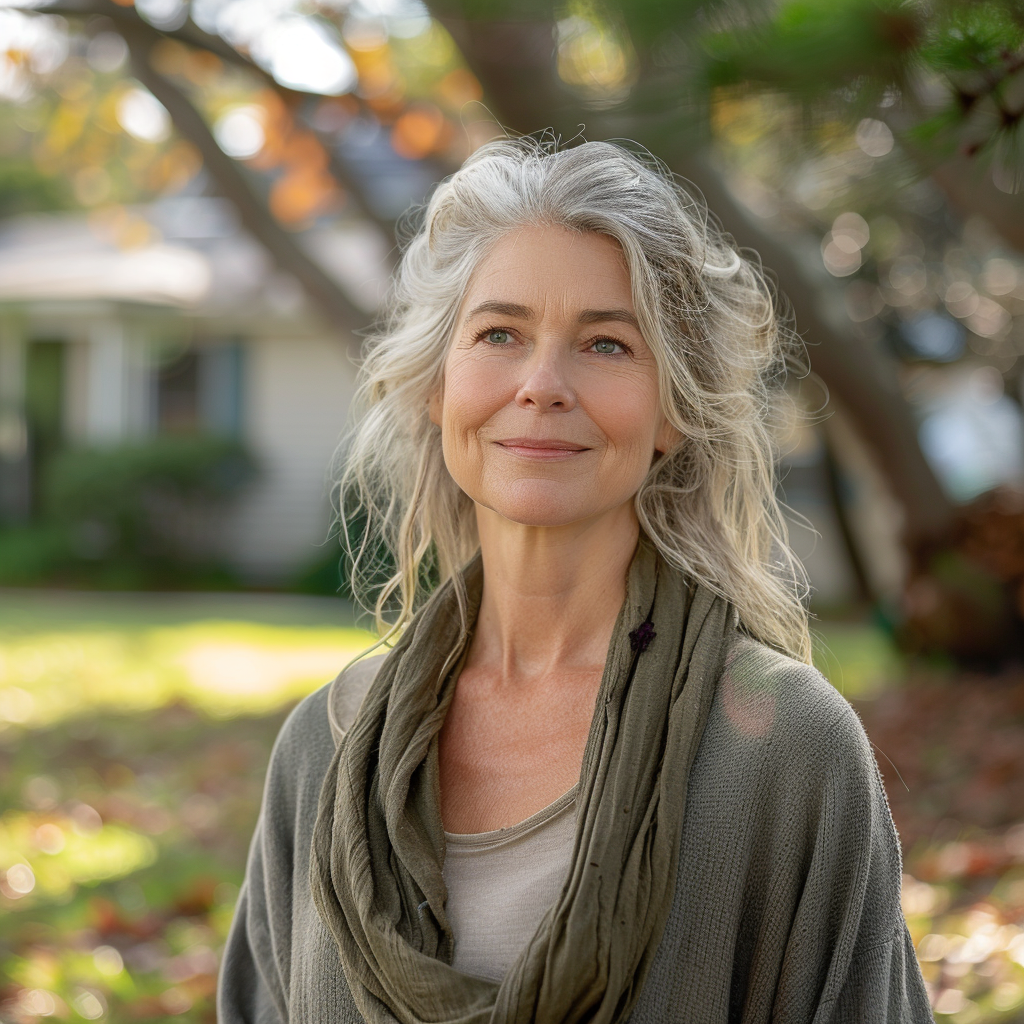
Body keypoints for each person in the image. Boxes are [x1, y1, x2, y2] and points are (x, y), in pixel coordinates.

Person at [218, 138, 932, 1024]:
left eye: (605, 343)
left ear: (674, 408)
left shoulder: (784, 750)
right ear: (439, 385)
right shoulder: (324, 748)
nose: (543, 385)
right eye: (500, 334)